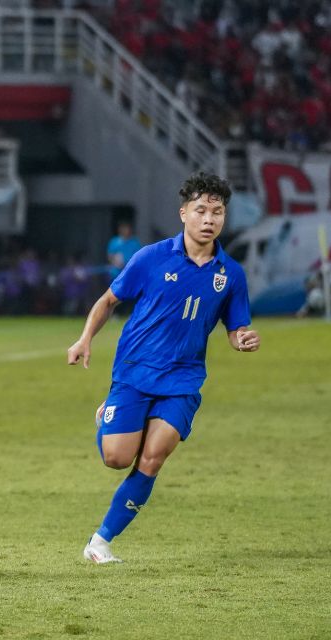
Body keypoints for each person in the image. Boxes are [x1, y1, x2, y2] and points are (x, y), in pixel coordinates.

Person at [67, 172, 261, 564]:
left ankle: (100, 542)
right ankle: (108, 415)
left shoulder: (231, 275)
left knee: (153, 458)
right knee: (118, 458)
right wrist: (85, 338)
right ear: (184, 214)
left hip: (183, 380)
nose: (210, 219)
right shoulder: (151, 258)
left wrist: (241, 339)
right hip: (135, 372)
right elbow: (107, 301)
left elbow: (235, 326)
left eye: (218, 212)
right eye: (202, 210)